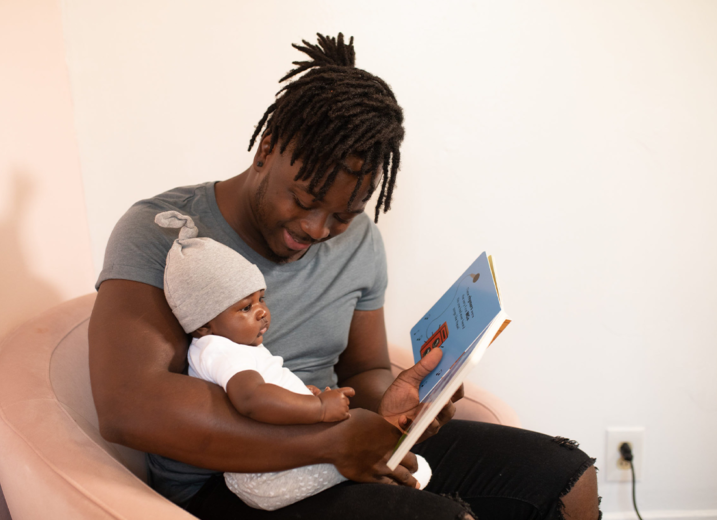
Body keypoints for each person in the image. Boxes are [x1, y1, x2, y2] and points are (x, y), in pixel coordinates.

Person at [89, 33, 600, 520]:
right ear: (266, 149)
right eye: (305, 200)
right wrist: (329, 440)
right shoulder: (163, 232)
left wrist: (397, 402)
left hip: (338, 438)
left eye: (343, 215)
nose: (315, 229)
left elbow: (363, 372)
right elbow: (129, 407)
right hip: (227, 481)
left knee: (566, 476)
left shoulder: (360, 242)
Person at [152, 209, 431, 510]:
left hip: (274, 464)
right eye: (245, 307)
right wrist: (318, 408)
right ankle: (401, 468)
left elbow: (265, 394)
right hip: (264, 475)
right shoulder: (219, 350)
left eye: (261, 299)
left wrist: (298, 396)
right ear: (203, 324)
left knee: (378, 451)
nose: (261, 311)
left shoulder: (235, 346)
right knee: (388, 460)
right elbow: (252, 399)